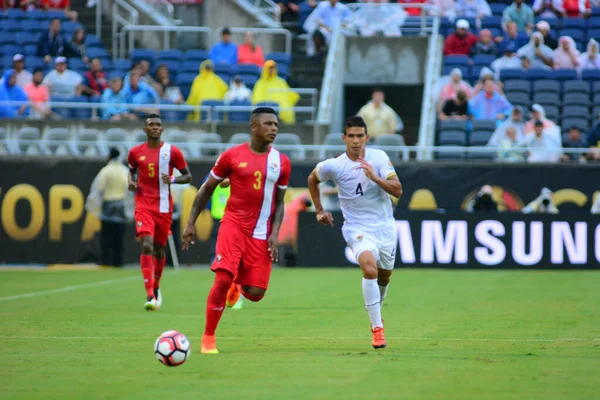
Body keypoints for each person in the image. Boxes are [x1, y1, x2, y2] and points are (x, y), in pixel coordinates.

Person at [181, 107, 291, 354]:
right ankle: (209, 337)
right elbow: (207, 188)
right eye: (268, 124)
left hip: (261, 233)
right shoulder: (231, 156)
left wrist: (274, 233)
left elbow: (280, 201)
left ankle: (237, 287)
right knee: (221, 278)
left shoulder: (282, 162)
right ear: (254, 126)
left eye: (276, 124)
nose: (274, 128)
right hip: (233, 224)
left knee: (256, 293)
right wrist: (190, 222)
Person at [307, 115, 402, 350]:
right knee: (369, 268)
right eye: (351, 136)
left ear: (367, 137)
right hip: (356, 228)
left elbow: (397, 190)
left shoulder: (378, 157)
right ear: (344, 138)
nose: (356, 141)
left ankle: (376, 311)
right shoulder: (336, 165)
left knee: (384, 277)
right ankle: (377, 328)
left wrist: (374, 177)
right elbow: (312, 178)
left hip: (385, 227)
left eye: (360, 136)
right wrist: (319, 210)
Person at [128, 114, 192, 311]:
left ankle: (156, 286)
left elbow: (188, 176)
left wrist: (173, 179)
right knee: (146, 243)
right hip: (143, 205)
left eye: (158, 125)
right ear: (144, 130)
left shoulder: (172, 152)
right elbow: (131, 171)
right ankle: (149, 293)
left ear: (162, 129)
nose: (155, 127)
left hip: (164, 207)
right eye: (151, 125)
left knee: (158, 248)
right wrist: (130, 182)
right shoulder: (135, 152)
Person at [86, 148, 130, 267]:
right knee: (119, 237)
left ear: (109, 157)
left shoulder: (105, 171)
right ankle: (118, 262)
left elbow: (98, 189)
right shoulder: (124, 171)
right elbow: (130, 189)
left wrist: (94, 205)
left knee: (106, 237)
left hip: (108, 204)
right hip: (120, 205)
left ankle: (106, 261)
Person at [252, 60, 300, 125]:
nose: (271, 70)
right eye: (269, 68)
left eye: (272, 68)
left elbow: (289, 94)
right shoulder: (260, 83)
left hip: (282, 111)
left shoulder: (281, 82)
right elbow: (257, 99)